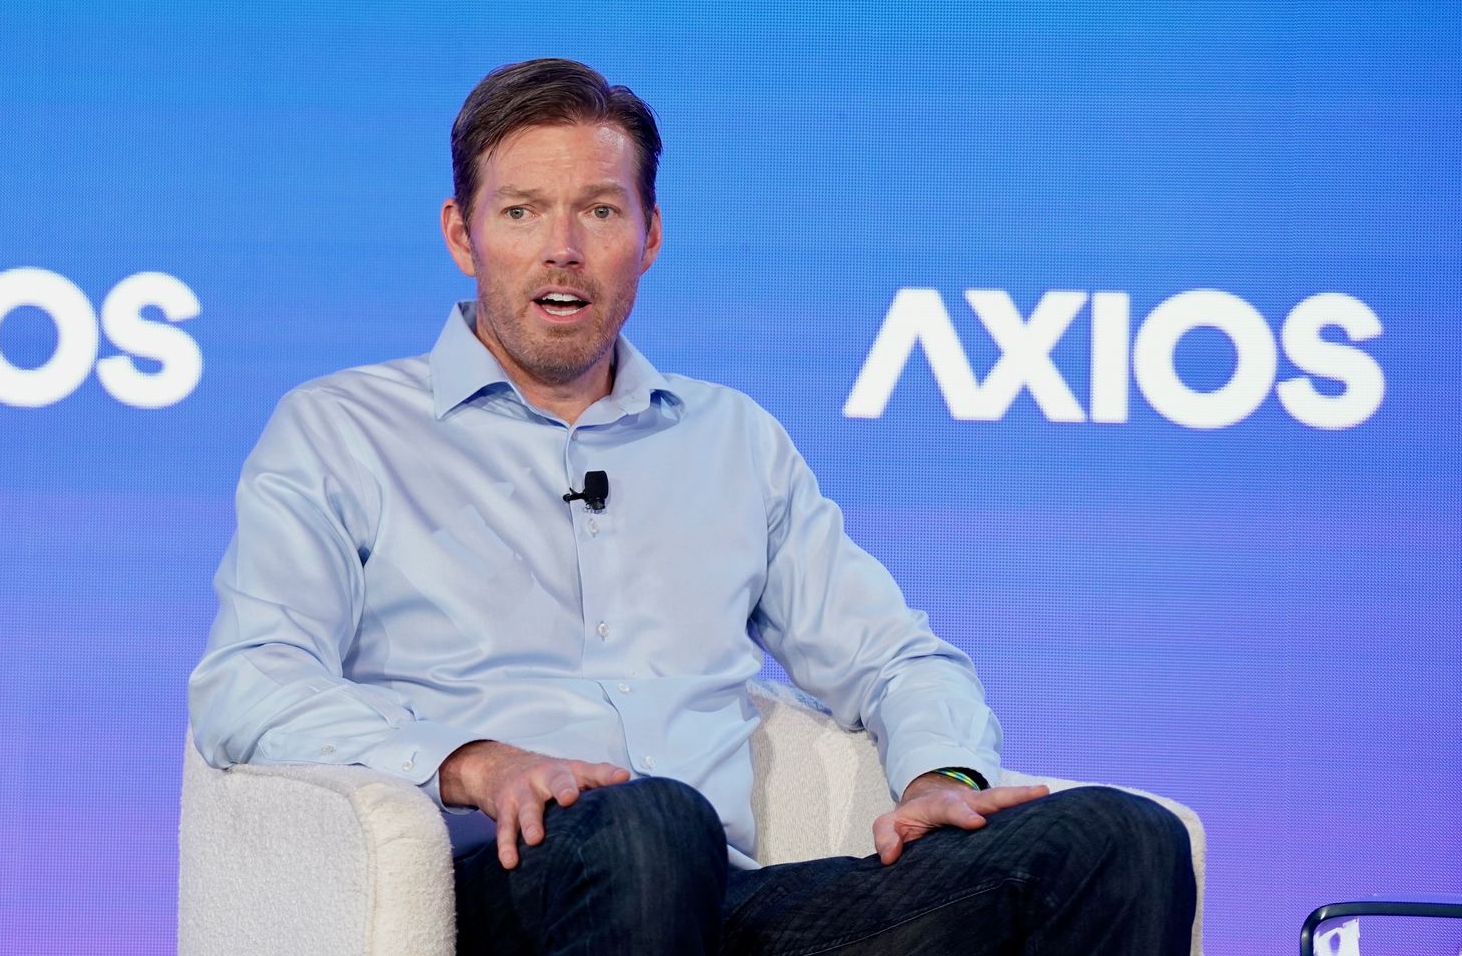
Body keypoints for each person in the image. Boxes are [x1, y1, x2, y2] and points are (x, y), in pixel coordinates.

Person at [189, 58, 1195, 954]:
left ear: (651, 235)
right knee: (649, 824)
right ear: (462, 234)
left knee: (1115, 841)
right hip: (495, 892)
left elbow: (894, 654)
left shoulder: (732, 440)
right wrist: (471, 763)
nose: (563, 249)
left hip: (728, 903)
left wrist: (945, 776)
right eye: (522, 211)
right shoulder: (341, 430)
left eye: (600, 210)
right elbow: (251, 681)